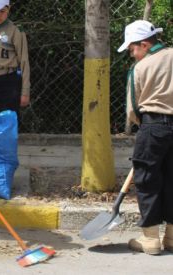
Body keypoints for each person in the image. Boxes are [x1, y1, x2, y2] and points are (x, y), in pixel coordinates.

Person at [118, 20, 173, 255]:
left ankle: (150, 238)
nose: (132, 54)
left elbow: (133, 107)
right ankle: (171, 237)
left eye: (132, 49)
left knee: (147, 179)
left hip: (153, 126)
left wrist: (146, 127)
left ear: (143, 44)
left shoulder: (140, 68)